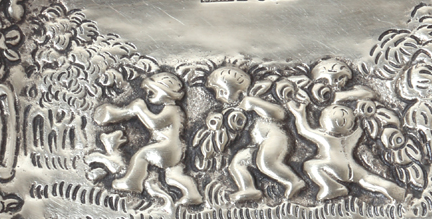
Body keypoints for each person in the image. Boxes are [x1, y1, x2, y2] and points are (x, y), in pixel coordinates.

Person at [94, 72, 202, 205]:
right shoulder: (171, 109)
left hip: (166, 147)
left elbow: (154, 123)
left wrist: (141, 109)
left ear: (166, 93)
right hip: (174, 149)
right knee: (173, 177)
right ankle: (193, 195)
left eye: (152, 90)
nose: (148, 94)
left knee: (142, 156)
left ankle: (132, 182)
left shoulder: (171, 110)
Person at [206, 66, 305, 203]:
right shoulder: (236, 109)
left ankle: (293, 181)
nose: (218, 96)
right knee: (237, 163)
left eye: (222, 91)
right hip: (259, 143)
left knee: (266, 163)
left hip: (275, 138)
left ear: (238, 91)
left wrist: (254, 103)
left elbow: (280, 114)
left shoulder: (252, 100)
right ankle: (248, 189)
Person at [287, 99, 404, 202]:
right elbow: (360, 128)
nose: (342, 115)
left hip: (333, 166)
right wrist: (362, 116)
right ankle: (394, 189)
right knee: (367, 179)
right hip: (352, 167)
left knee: (311, 165)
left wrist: (299, 113)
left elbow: (303, 130)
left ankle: (332, 187)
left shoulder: (324, 137)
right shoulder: (351, 136)